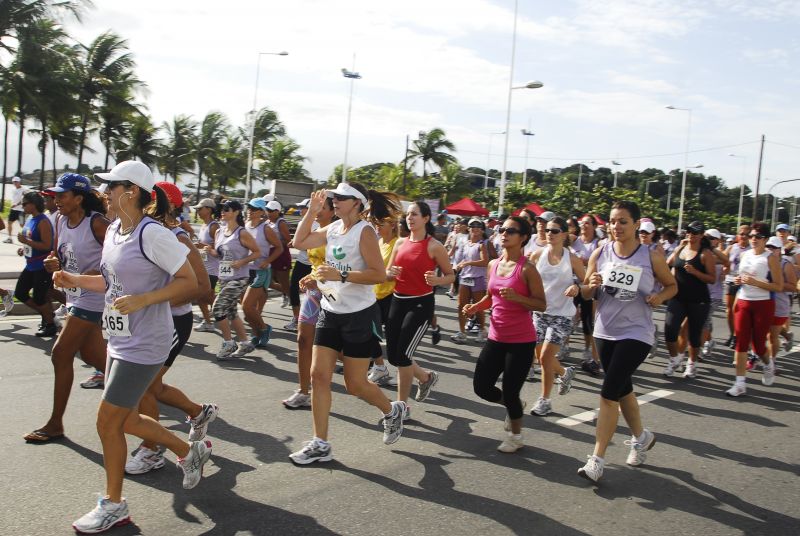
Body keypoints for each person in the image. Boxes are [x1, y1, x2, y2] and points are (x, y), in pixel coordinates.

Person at [54, 161, 210, 533]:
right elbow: (111, 284)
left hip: (146, 342)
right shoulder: (114, 231)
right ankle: (189, 451)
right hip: (119, 338)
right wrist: (73, 279)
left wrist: (145, 299)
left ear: (132, 192)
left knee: (107, 421)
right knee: (125, 420)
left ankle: (114, 504)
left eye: (111, 187)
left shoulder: (152, 234)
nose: (104, 193)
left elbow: (191, 282)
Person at [289, 183, 407, 464]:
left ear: (356, 203)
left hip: (359, 315)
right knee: (319, 376)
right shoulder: (333, 228)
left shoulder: (364, 232)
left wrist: (340, 275)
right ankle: (320, 444)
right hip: (330, 311)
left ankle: (392, 410)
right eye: (334, 198)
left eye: (341, 198)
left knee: (355, 384)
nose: (335, 201)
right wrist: (311, 212)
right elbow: (299, 243)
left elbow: (378, 274)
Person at [577, 200, 676, 483]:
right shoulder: (600, 252)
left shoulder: (651, 256)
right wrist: (591, 285)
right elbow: (586, 292)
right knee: (623, 389)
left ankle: (597, 460)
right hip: (604, 331)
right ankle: (641, 438)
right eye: (612, 221)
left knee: (608, 393)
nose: (616, 226)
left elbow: (672, 285)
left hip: (637, 332)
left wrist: (659, 297)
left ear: (635, 224)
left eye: (623, 221)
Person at [125, 181, 218, 475]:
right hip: (146, 319)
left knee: (143, 387)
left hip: (173, 321)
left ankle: (151, 449)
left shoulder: (178, 237)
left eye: (150, 201)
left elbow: (203, 287)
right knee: (152, 386)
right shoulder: (142, 232)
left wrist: (156, 302)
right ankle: (198, 411)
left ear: (168, 205)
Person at [23, 174, 110, 443]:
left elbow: (121, 260)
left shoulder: (97, 223)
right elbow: (59, 255)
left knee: (61, 354)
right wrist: (53, 263)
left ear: (79, 198)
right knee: (97, 359)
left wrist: (92, 274)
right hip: (74, 297)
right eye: (55, 196)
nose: (56, 200)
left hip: (93, 299)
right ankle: (154, 391)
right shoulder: (60, 220)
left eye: (62, 195)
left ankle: (55, 424)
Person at [467, 216, 546, 452]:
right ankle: (515, 405)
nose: (504, 233)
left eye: (511, 231)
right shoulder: (493, 264)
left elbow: (541, 304)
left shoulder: (527, 269)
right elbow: (490, 296)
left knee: (511, 390)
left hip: (521, 341)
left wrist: (518, 298)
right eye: (502, 229)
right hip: (496, 337)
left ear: (523, 238)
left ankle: (516, 436)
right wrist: (475, 307)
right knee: (481, 387)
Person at [385, 201, 454, 415]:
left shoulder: (434, 246)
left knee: (403, 356)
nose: (410, 218)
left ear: (426, 218)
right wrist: (390, 273)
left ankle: (401, 407)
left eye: (414, 214)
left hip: (420, 303)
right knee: (394, 357)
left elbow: (451, 276)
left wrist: (437, 280)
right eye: (408, 214)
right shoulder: (399, 243)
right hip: (397, 301)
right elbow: (387, 272)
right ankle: (425, 378)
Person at [529, 216, 586, 416]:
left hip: (562, 315)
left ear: (564, 235)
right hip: (540, 312)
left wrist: (577, 286)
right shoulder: (537, 255)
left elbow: (587, 282)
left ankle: (545, 401)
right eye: (547, 230)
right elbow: (527, 278)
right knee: (539, 357)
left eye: (554, 231)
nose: (549, 234)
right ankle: (564, 372)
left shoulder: (572, 259)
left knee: (546, 357)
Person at [283, 196, 336, 409]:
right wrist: (311, 277)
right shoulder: (315, 230)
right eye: (316, 206)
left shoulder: (339, 233)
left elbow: (342, 267)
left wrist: (320, 279)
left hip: (335, 293)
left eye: (323, 207)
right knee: (303, 339)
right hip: (315, 292)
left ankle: (370, 361)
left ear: (333, 211)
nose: (318, 210)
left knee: (337, 347)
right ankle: (304, 391)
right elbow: (305, 252)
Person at [726, 222, 783, 396]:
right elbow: (741, 276)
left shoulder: (770, 258)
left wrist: (756, 282)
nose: (753, 239)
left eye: (758, 237)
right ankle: (740, 384)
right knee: (741, 342)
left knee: (758, 345)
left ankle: (768, 364)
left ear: (765, 239)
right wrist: (737, 280)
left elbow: (779, 286)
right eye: (751, 236)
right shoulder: (745, 254)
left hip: (763, 304)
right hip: (744, 301)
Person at [207, 200, 261, 359]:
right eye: (221, 209)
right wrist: (210, 250)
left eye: (226, 209)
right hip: (223, 278)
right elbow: (220, 254)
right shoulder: (219, 231)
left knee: (217, 309)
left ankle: (229, 342)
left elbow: (257, 252)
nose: (222, 212)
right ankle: (245, 343)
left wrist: (242, 262)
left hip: (239, 278)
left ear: (236, 212)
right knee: (231, 312)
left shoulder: (241, 233)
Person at [662, 221, 716, 378]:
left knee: (694, 335)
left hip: (698, 300)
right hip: (677, 297)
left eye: (695, 233)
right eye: (689, 232)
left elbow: (712, 279)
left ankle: (691, 364)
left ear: (701, 235)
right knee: (670, 330)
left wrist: (695, 272)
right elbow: (668, 264)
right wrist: (679, 247)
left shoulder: (705, 254)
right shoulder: (680, 248)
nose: (691, 235)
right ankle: (674, 359)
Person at [235, 198, 283, 356]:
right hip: (245, 270)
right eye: (249, 207)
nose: (250, 211)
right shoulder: (245, 225)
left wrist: (267, 261)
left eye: (254, 208)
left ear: (262, 212)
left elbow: (279, 248)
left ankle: (264, 328)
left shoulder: (266, 228)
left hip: (260, 271)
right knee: (248, 310)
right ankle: (256, 335)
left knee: (247, 306)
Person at [14, 191, 56, 336]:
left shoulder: (43, 221)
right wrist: (23, 248)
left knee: (39, 298)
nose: (23, 206)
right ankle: (48, 315)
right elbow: (31, 242)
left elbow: (47, 245)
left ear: (34, 204)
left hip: (42, 266)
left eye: (25, 204)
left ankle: (50, 324)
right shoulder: (30, 219)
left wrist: (26, 241)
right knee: (20, 293)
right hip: (31, 264)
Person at [451, 218, 489, 343]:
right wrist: (457, 267)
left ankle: (482, 330)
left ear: (482, 230)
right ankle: (462, 332)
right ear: (468, 228)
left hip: (478, 278)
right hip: (465, 277)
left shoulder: (481, 244)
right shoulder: (466, 243)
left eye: (478, 226)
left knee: (478, 307)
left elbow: (485, 262)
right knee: (461, 305)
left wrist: (468, 263)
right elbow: (463, 259)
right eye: (472, 226)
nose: (475, 228)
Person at [573, 214, 602, 374]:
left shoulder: (598, 244)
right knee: (568, 316)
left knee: (587, 319)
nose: (583, 226)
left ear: (594, 226)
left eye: (587, 223)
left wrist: (585, 262)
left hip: (589, 286)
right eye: (582, 223)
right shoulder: (574, 240)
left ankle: (587, 348)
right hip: (572, 284)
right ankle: (563, 346)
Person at [765, 236, 796, 371]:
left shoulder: (785, 265)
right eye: (768, 247)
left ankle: (772, 362)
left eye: (773, 248)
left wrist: (776, 284)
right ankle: (787, 335)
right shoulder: (761, 261)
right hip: (763, 302)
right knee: (766, 331)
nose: (770, 250)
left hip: (780, 304)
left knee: (772, 335)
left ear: (780, 250)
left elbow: (793, 286)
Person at [193, 198, 221, 332]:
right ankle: (208, 322)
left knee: (204, 296)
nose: (197, 211)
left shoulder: (214, 226)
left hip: (212, 268)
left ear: (209, 209)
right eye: (197, 209)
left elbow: (220, 248)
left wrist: (202, 245)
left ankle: (226, 309)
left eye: (200, 209)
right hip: (203, 266)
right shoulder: (204, 225)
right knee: (201, 297)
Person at [722, 224, 750, 348]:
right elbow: (722, 258)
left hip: (744, 282)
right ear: (738, 235)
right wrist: (725, 267)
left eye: (747, 234)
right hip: (731, 280)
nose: (744, 236)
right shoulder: (732, 247)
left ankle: (737, 335)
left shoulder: (752, 249)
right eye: (741, 234)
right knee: (729, 310)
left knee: (736, 309)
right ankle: (732, 334)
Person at [265, 200, 292, 308]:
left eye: (271, 210)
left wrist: (275, 243)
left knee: (283, 281)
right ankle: (290, 293)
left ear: (277, 211)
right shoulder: (267, 222)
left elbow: (288, 240)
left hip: (282, 255)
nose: (268, 212)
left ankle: (290, 295)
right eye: (267, 210)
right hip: (271, 255)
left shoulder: (281, 223)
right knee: (268, 281)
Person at [5, 176, 26, 243]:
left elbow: (24, 199)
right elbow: (14, 199)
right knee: (9, 222)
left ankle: (27, 240)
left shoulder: (24, 190)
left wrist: (16, 204)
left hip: (21, 211)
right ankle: (10, 238)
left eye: (16, 182)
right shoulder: (13, 189)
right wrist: (12, 205)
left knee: (22, 225)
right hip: (13, 210)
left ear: (19, 182)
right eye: (14, 182)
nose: (15, 183)